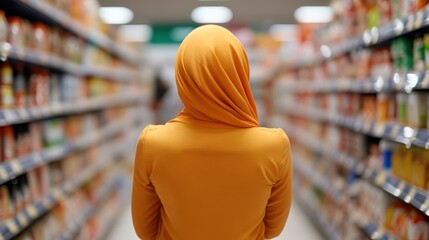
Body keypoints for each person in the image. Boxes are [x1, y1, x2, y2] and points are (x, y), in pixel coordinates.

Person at [132, 25, 292, 240]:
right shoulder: (273, 145)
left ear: (183, 74)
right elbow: (273, 228)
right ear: (241, 70)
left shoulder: (153, 143)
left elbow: (146, 231)